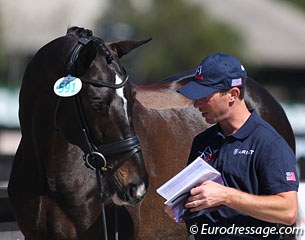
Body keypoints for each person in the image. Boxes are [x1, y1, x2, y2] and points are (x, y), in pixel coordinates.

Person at [165, 53, 299, 239]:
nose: (196, 103)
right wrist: (182, 206)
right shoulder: (203, 141)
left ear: (233, 94)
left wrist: (226, 196)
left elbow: (288, 211)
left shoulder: (269, 143)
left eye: (204, 96)